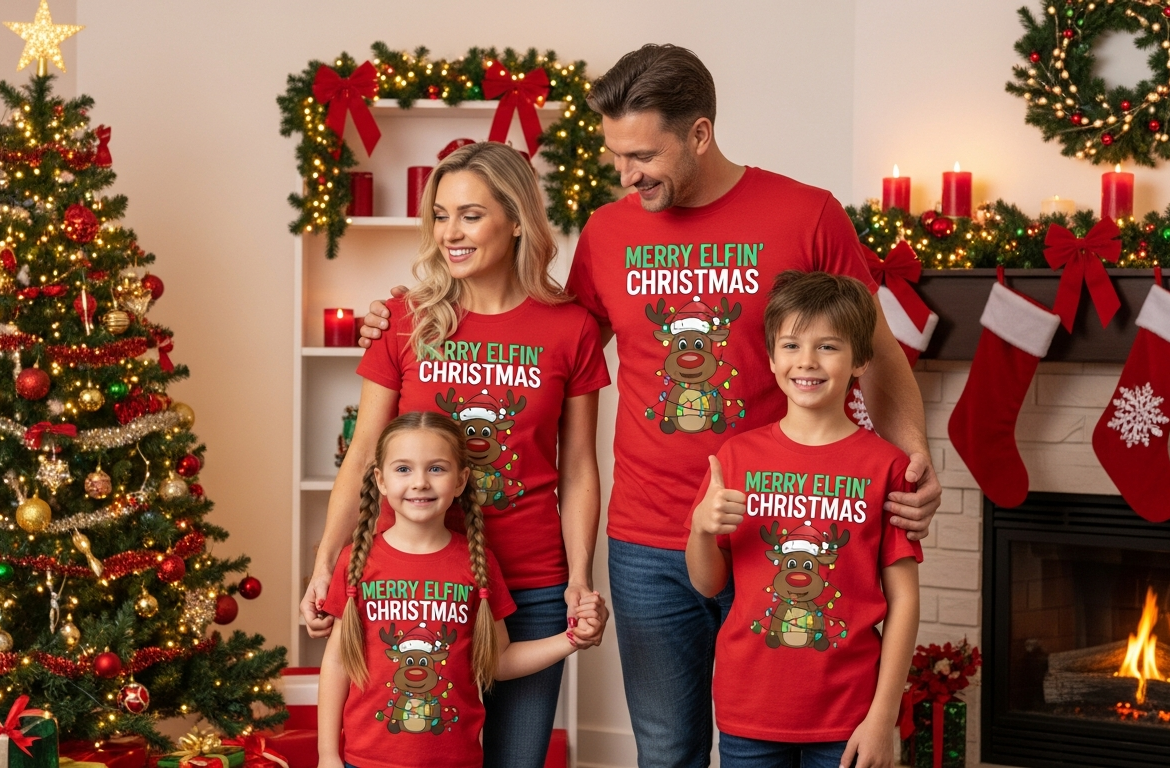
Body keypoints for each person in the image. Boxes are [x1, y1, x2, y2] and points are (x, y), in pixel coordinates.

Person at [360, 45, 940, 767]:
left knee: (764, 744)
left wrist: (913, 459)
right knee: (666, 749)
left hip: (776, 529)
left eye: (642, 156)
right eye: (616, 157)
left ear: (698, 133)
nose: (626, 176)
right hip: (648, 541)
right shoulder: (609, 232)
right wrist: (406, 319)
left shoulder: (805, 214)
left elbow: (877, 351)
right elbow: (548, 340)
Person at [302, 142, 611, 767]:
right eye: (440, 216)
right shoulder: (402, 321)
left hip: (530, 585)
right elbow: (363, 454)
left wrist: (580, 579)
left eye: (470, 215)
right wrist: (324, 564)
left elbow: (578, 467)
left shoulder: (570, 328)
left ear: (518, 218)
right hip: (411, 583)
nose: (450, 233)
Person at [686, 271, 920, 768]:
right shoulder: (736, 457)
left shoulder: (886, 466)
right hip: (749, 709)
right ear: (771, 358)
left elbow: (904, 600)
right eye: (791, 344)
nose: (807, 362)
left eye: (828, 347)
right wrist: (702, 530)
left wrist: (882, 717)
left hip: (850, 718)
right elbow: (708, 584)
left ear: (860, 360)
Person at [317, 411, 601, 768]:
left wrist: (573, 639)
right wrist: (327, 754)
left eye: (436, 468)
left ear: (461, 479)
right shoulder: (356, 562)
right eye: (403, 469)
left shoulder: (477, 563)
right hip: (365, 761)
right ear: (381, 480)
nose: (420, 482)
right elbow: (338, 661)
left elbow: (498, 661)